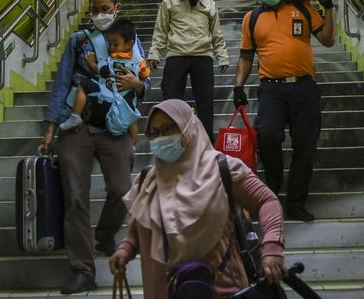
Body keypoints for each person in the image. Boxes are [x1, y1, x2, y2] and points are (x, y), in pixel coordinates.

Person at [109, 99, 286, 298]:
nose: (160, 138)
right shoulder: (148, 181)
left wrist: (272, 248)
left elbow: (267, 201)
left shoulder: (223, 169)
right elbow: (139, 225)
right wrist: (126, 249)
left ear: (188, 127)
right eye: (154, 133)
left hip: (224, 292)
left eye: (168, 129)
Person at [42, 0, 150, 295]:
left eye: (105, 8)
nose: (100, 14)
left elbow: (144, 80)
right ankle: (82, 271)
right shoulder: (79, 40)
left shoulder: (131, 39)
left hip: (114, 126)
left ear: (117, 8)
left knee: (122, 189)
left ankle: (105, 235)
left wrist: (139, 87)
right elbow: (63, 80)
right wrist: (51, 125)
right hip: (77, 126)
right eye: (94, 8)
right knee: (76, 199)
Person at [232, 0, 336, 223]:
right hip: (271, 89)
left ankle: (296, 203)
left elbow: (327, 39)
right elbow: (246, 56)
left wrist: (330, 7)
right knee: (266, 134)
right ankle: (273, 186)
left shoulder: (302, 8)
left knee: (305, 146)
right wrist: (238, 85)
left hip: (304, 87)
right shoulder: (252, 18)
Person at [148, 0, 230, 140]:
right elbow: (160, 30)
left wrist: (222, 56)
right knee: (171, 100)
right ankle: (172, 139)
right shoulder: (169, 3)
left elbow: (216, 33)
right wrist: (154, 53)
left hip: (203, 57)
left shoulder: (209, 4)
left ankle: (207, 143)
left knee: (206, 102)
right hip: (177, 56)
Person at [58, 17, 149, 141]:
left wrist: (92, 64)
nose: (111, 47)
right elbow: (144, 75)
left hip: (113, 93)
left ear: (130, 44)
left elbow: (103, 72)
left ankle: (75, 115)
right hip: (124, 97)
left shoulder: (112, 59)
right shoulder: (139, 61)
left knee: (84, 85)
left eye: (115, 44)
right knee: (131, 119)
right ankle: (132, 146)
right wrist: (139, 80)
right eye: (110, 43)